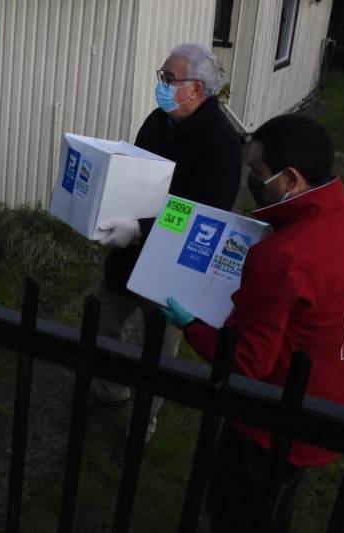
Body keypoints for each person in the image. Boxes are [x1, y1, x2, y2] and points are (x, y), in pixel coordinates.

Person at [163, 115, 344, 532]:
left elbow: (245, 361)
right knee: (276, 503)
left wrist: (192, 324)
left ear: (290, 180)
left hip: (270, 422)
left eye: (257, 172)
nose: (250, 178)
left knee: (240, 513)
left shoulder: (286, 256)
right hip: (329, 400)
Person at [91, 43, 242, 441]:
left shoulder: (220, 143)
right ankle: (110, 388)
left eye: (169, 79)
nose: (162, 85)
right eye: (162, 76)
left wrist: (138, 228)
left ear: (197, 88)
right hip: (128, 252)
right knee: (105, 317)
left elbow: (200, 216)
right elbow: (137, 172)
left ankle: (143, 422)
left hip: (172, 264)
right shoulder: (159, 121)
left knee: (159, 348)